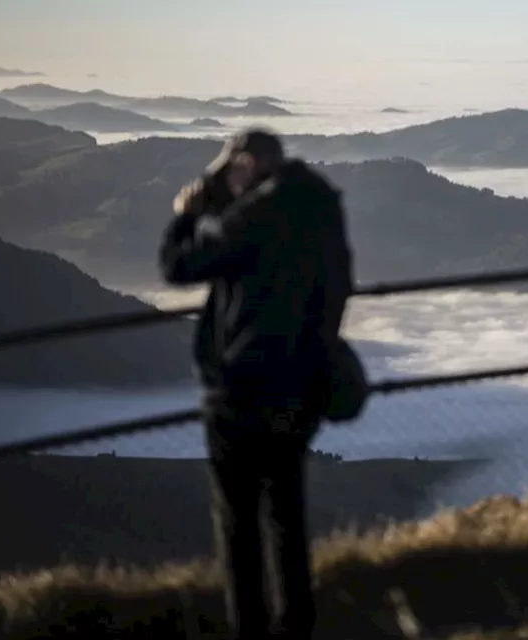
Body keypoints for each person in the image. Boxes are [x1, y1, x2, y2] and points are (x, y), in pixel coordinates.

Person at [159, 127, 354, 639]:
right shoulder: (321, 207)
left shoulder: (251, 217)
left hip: (242, 394)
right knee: (288, 520)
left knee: (239, 527)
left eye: (230, 169)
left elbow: (178, 268)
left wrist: (187, 216)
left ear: (247, 163)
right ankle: (297, 628)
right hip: (304, 384)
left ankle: (251, 631)